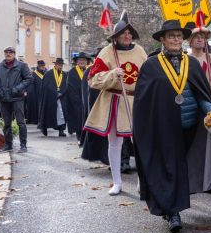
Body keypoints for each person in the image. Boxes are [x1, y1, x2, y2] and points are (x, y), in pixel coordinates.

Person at [134, 19, 211, 233]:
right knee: (169, 167)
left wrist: (210, 110)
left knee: (179, 166)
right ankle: (173, 212)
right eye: (171, 36)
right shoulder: (151, 65)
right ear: (162, 39)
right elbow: (143, 101)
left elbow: (202, 94)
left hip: (189, 126)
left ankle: (170, 205)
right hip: (163, 129)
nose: (176, 39)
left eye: (179, 36)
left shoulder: (191, 63)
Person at [83, 12, 147, 195]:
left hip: (136, 100)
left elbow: (148, 75)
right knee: (115, 142)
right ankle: (117, 182)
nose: (127, 36)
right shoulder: (107, 52)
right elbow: (92, 79)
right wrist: (112, 74)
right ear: (116, 35)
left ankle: (142, 182)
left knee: (140, 142)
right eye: (123, 33)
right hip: (114, 101)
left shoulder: (140, 51)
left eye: (129, 33)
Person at [0, 46, 33, 153]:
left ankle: (23, 145)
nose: (8, 54)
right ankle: (8, 145)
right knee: (7, 123)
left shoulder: (22, 66)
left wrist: (17, 88)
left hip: (17, 98)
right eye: (6, 52)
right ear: (4, 54)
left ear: (14, 54)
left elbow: (29, 78)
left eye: (11, 52)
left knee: (20, 122)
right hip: (4, 99)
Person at [37, 57, 68, 138]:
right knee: (48, 113)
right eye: (58, 65)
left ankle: (61, 130)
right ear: (55, 65)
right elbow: (47, 86)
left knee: (62, 114)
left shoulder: (64, 75)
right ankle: (44, 128)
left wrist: (61, 92)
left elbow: (66, 85)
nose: (60, 67)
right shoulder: (48, 74)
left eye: (61, 65)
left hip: (61, 97)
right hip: (50, 98)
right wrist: (55, 92)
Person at [64, 52, 91, 137]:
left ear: (87, 61)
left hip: (88, 98)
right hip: (76, 100)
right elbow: (70, 87)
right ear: (76, 62)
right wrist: (78, 99)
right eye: (80, 60)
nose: (82, 62)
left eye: (84, 60)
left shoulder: (90, 70)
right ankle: (78, 133)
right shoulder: (71, 72)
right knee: (77, 117)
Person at [25, 60, 46, 125]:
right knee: (36, 107)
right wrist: (32, 94)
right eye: (41, 66)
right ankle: (36, 120)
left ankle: (43, 120)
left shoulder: (45, 73)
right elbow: (31, 85)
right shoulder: (34, 74)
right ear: (38, 66)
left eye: (43, 66)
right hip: (36, 94)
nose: (43, 67)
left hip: (44, 93)